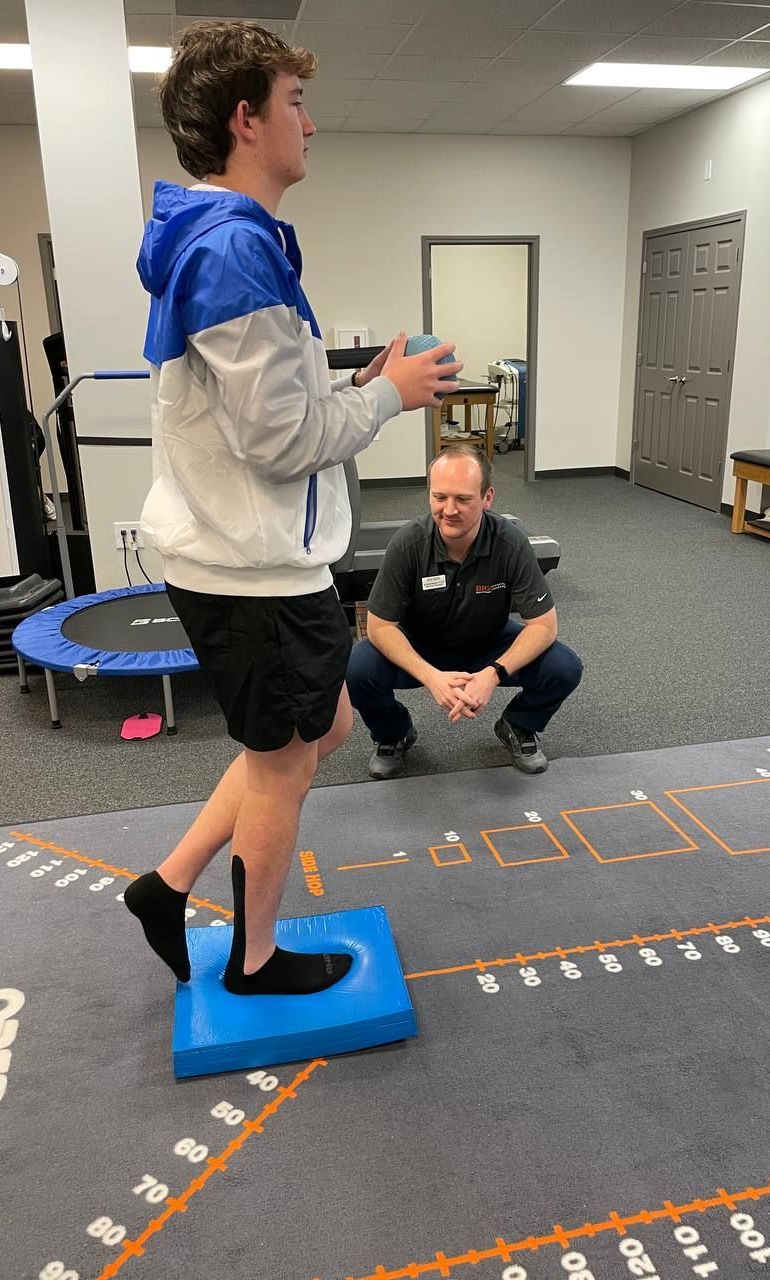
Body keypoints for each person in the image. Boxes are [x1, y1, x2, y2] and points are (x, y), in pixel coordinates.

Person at [123, 20, 462, 995]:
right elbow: (277, 443)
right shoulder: (233, 251)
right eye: (294, 103)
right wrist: (390, 395)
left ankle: (168, 883)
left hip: (242, 550)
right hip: (251, 564)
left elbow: (256, 404)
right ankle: (256, 960)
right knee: (284, 762)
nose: (308, 124)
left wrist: (356, 378)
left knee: (327, 727)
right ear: (247, 118)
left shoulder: (219, 236)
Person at [347, 444, 583, 780]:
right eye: (439, 497)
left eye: (463, 499)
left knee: (564, 667)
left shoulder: (510, 543)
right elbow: (381, 626)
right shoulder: (408, 544)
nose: (449, 510)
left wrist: (494, 674)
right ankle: (394, 733)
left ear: (487, 497)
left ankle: (519, 724)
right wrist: (431, 677)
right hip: (422, 644)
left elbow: (543, 626)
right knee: (357, 670)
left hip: (489, 643)